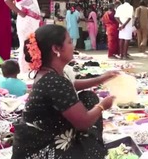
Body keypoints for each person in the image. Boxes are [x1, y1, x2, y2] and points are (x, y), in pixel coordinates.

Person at [11, 24, 120, 158]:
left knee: (88, 97)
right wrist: (104, 105)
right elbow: (83, 123)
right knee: (91, 110)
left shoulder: (48, 74)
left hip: (36, 141)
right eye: (69, 41)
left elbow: (69, 88)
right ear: (56, 49)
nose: (73, 45)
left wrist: (102, 79)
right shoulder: (54, 81)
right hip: (39, 150)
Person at [5, 0, 41, 74]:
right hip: (25, 23)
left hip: (32, 23)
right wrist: (19, 12)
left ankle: (32, 68)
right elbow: (7, 0)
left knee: (33, 45)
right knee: (25, 46)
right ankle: (24, 71)